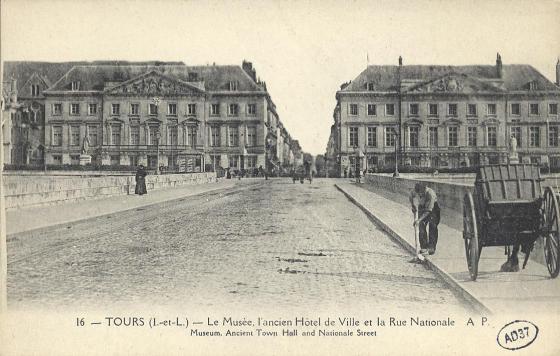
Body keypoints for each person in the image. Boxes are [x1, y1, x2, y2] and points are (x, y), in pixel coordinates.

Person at [410, 183, 440, 255]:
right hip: (422, 207)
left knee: (432, 226)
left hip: (433, 210)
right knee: (420, 227)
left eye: (421, 193)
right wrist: (413, 206)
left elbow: (429, 211)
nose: (420, 195)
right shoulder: (414, 191)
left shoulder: (430, 194)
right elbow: (411, 196)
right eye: (419, 193)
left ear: (424, 189)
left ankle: (431, 248)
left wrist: (419, 220)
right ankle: (424, 247)